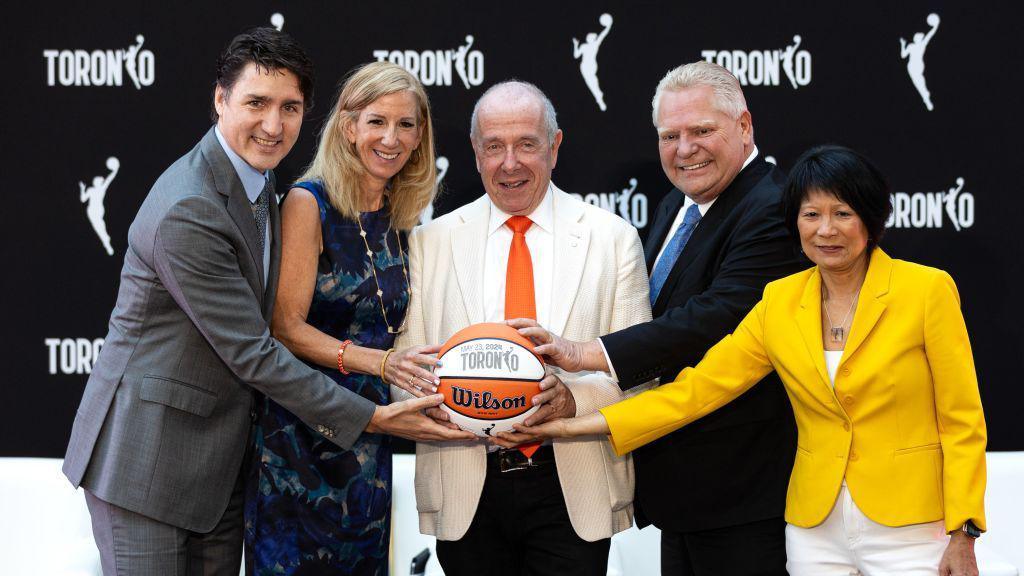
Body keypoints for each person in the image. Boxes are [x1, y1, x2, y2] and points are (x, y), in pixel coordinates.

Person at [62, 29, 468, 575]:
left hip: (223, 463)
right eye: (257, 103)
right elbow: (255, 351)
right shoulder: (190, 207)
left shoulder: (257, 183)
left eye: (290, 107)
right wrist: (373, 416)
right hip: (149, 465)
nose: (273, 125)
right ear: (220, 99)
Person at [520, 145, 987, 576]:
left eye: (843, 213)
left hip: (912, 528)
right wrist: (572, 425)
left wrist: (963, 532)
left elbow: (961, 419)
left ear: (870, 219)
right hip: (814, 528)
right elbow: (696, 391)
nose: (826, 230)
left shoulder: (926, 291)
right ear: (795, 222)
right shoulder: (779, 301)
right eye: (811, 214)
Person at [510, 61, 805, 575]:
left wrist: (585, 353)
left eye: (701, 131)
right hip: (684, 492)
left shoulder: (773, 208)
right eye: (670, 135)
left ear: (745, 126)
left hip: (744, 494)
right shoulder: (680, 203)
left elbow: (715, 318)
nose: (684, 149)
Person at [393, 80, 652, 576]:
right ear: (475, 153)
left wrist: (572, 399)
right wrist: (449, 402)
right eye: (494, 147)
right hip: (467, 484)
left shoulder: (612, 239)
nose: (509, 163)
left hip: (571, 483)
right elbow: (404, 367)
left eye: (526, 144)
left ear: (554, 147)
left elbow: (641, 376)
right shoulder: (430, 243)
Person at [244, 61, 447, 575]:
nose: (391, 138)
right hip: (301, 443)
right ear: (349, 125)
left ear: (421, 137)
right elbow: (285, 327)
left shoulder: (399, 216)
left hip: (371, 447)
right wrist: (380, 363)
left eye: (406, 125)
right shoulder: (307, 203)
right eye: (377, 121)